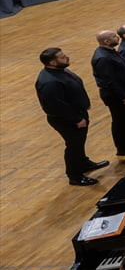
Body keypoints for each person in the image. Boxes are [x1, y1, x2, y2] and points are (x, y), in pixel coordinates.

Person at [35, 47, 107, 186]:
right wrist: (76, 119)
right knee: (73, 146)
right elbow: (56, 106)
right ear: (53, 62)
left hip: (77, 114)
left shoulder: (60, 71)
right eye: (62, 57)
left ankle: (83, 163)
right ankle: (74, 176)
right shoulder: (49, 82)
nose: (66, 57)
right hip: (67, 120)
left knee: (79, 143)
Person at [91, 30, 125, 157]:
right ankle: (122, 148)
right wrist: (123, 96)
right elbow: (108, 81)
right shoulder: (102, 58)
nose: (117, 37)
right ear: (106, 41)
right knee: (119, 121)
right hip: (116, 96)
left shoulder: (109, 52)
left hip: (123, 91)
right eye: (114, 36)